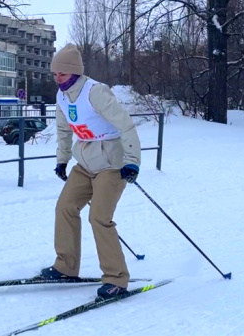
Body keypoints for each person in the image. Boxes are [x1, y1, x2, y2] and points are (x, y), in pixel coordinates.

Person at [39, 43, 142, 300]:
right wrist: (62, 160)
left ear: (74, 72)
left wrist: (133, 161)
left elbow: (126, 124)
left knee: (99, 218)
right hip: (84, 163)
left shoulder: (95, 92)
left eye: (61, 74)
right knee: (65, 207)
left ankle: (116, 279)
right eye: (54, 74)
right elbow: (64, 130)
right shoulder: (62, 96)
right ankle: (66, 266)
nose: (57, 79)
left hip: (111, 164)